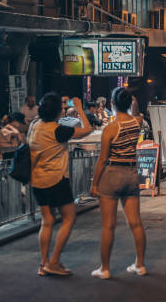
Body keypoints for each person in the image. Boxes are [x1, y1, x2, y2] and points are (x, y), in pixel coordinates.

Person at [28, 93, 92, 276]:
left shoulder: (34, 126)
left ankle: (44, 263)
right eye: (61, 108)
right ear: (57, 112)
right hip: (56, 180)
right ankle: (54, 262)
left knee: (47, 221)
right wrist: (79, 108)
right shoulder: (58, 131)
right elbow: (87, 129)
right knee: (69, 218)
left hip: (37, 181)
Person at [90, 88, 146, 279]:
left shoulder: (111, 128)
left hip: (112, 174)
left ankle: (104, 269)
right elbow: (137, 112)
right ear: (129, 102)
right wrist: (132, 100)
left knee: (108, 226)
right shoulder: (137, 122)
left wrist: (94, 183)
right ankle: (140, 265)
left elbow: (102, 159)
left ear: (112, 104)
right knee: (136, 223)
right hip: (131, 174)